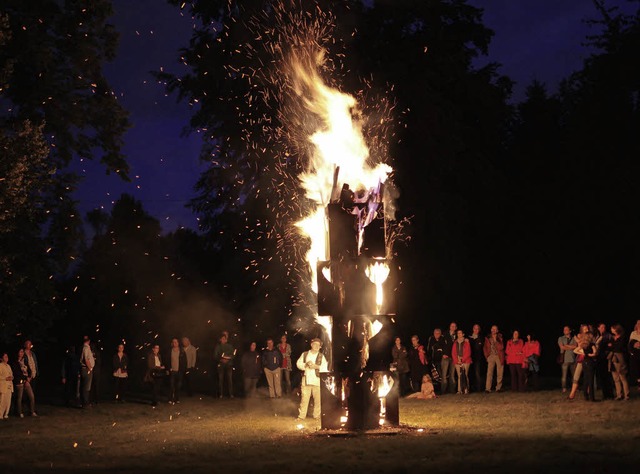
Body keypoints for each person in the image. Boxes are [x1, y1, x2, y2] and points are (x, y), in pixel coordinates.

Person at [296, 338, 328, 421]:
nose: (316, 346)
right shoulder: (305, 354)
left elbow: (325, 367)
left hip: (317, 381)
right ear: (311, 344)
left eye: (318, 345)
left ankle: (316, 415)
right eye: (315, 344)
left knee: (318, 400)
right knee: (304, 399)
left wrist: (316, 367)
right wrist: (306, 364)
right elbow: (298, 364)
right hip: (306, 380)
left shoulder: (321, 356)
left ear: (320, 347)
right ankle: (301, 416)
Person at [12, 348, 36, 417]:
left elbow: (29, 370)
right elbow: (17, 372)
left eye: (22, 352)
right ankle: (19, 412)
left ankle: (32, 411)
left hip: (26, 381)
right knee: (19, 397)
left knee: (31, 396)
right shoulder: (15, 362)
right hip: (19, 381)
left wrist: (29, 377)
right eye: (20, 352)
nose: (22, 353)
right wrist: (24, 379)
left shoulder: (24, 361)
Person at [609, 324, 630, 401]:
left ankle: (626, 395)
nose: (611, 330)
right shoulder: (613, 338)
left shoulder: (622, 338)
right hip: (613, 359)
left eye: (612, 329)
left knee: (622, 377)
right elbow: (610, 346)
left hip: (620, 359)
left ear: (616, 329)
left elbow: (619, 347)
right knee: (616, 378)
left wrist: (613, 345)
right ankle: (619, 394)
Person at [595, 323, 614, 400]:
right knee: (601, 377)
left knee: (607, 377)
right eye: (602, 327)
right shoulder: (597, 336)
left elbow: (611, 345)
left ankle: (610, 394)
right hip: (599, 358)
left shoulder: (608, 335)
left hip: (605, 358)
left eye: (604, 327)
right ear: (598, 328)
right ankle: (605, 394)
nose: (603, 328)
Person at [483, 325, 505, 392]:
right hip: (491, 356)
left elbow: (501, 347)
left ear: (497, 331)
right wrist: (487, 356)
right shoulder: (487, 338)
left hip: (499, 356)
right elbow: (485, 348)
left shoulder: (500, 337)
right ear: (491, 329)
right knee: (489, 373)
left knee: (500, 373)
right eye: (492, 329)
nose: (493, 330)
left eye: (495, 329)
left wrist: (496, 340)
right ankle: (488, 388)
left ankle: (498, 388)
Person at [214, 333, 235, 398]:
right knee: (221, 380)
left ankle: (231, 394)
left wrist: (229, 359)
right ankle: (221, 394)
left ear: (226, 340)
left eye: (224, 339)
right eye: (222, 339)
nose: (223, 340)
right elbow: (215, 356)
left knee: (230, 380)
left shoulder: (230, 346)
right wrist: (221, 360)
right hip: (221, 365)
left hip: (229, 365)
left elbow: (234, 354)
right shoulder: (218, 347)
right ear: (220, 339)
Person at [557, 326, 577, 393]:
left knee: (574, 375)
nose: (564, 330)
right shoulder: (561, 338)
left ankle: (574, 388)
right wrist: (571, 347)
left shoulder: (574, 338)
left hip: (573, 359)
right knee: (564, 375)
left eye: (566, 329)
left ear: (570, 331)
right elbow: (562, 347)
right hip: (564, 359)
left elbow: (576, 347)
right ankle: (564, 388)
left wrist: (567, 346)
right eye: (564, 329)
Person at [451, 329, 471, 394]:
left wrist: (462, 360)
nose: (459, 334)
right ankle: (459, 390)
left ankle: (466, 389)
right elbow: (453, 353)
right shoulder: (455, 342)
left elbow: (468, 352)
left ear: (463, 334)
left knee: (465, 375)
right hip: (457, 361)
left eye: (460, 333)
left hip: (466, 360)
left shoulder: (466, 342)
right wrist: (457, 360)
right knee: (459, 376)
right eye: (458, 333)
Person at [168, 337, 187, 405]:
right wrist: (168, 368)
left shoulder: (182, 351)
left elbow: (185, 361)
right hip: (172, 371)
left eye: (176, 342)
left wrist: (183, 370)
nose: (174, 343)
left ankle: (177, 399)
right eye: (173, 342)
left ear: (178, 343)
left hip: (179, 371)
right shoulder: (170, 351)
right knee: (171, 385)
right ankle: (170, 399)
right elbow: (167, 360)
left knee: (178, 386)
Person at [469, 324, 485, 392]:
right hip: (469, 358)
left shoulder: (481, 338)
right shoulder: (468, 338)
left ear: (479, 330)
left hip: (478, 359)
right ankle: (470, 388)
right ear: (473, 329)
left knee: (477, 374)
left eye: (477, 328)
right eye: (475, 328)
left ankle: (479, 389)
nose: (476, 330)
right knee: (470, 374)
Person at [80, 335, 95, 408]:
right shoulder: (86, 348)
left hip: (86, 369)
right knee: (86, 387)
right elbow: (86, 359)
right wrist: (90, 368)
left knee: (86, 386)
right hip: (86, 369)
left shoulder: (86, 348)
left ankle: (85, 402)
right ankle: (85, 403)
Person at [442, 322, 457, 394]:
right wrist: (443, 354)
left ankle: (452, 390)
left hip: (453, 357)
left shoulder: (457, 335)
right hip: (446, 357)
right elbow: (440, 344)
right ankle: (443, 391)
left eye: (454, 326)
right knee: (444, 375)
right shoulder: (445, 334)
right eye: (452, 326)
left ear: (456, 328)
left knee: (452, 375)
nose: (453, 327)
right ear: (450, 327)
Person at [0, 352, 14, 419]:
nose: (7, 358)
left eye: (7, 356)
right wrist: (5, 378)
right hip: (3, 385)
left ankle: (6, 414)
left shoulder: (8, 366)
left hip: (9, 385)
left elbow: (11, 374)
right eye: (5, 357)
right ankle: (0, 414)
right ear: (1, 358)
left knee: (8, 401)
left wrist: (11, 377)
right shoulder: (0, 365)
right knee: (2, 400)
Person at [628, 320, 640, 393]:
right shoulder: (633, 333)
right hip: (635, 355)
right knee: (636, 371)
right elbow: (630, 344)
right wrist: (631, 352)